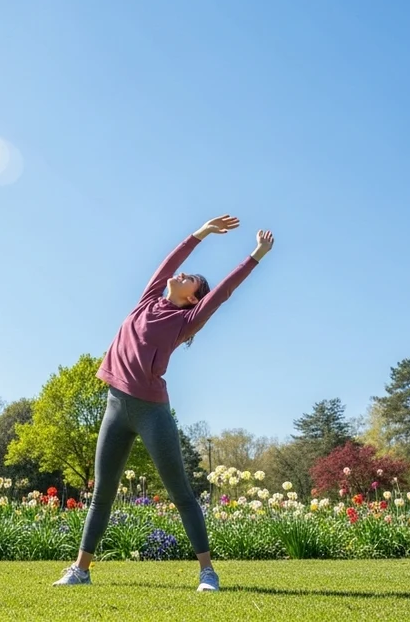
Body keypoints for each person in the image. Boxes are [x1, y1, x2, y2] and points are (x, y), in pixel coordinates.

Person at [53, 215, 275, 592]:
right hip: (115, 407)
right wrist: (200, 233)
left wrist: (255, 256)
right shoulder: (148, 300)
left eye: (191, 279)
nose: (183, 274)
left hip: (151, 413)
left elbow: (221, 293)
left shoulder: (186, 319)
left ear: (192, 297)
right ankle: (81, 570)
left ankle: (208, 572)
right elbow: (168, 263)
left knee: (181, 494)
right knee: (102, 494)